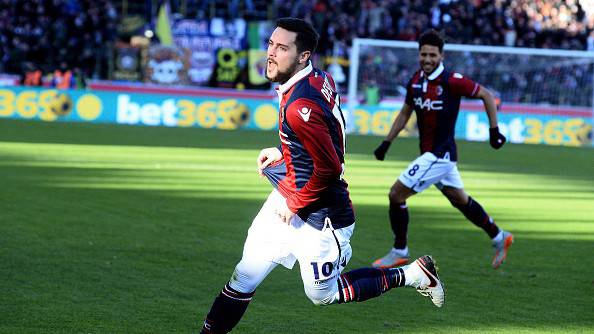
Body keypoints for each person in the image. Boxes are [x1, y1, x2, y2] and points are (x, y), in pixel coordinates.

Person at [200, 18, 445, 334]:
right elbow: (323, 131)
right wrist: (283, 149)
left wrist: (296, 202)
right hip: (290, 195)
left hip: (323, 215)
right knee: (245, 275)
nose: (271, 53)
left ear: (303, 56)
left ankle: (413, 274)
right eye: (271, 44)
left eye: (282, 48)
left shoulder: (300, 103)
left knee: (322, 294)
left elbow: (329, 168)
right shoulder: (317, 79)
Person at [371, 30, 513, 270]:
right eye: (423, 54)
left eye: (432, 55)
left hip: (440, 155)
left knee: (396, 194)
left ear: (441, 55)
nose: (427, 59)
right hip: (431, 155)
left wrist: (493, 130)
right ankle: (500, 237)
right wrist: (387, 142)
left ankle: (399, 250)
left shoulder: (452, 80)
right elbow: (405, 113)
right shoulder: (416, 81)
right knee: (460, 200)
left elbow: (487, 95)